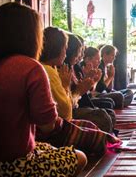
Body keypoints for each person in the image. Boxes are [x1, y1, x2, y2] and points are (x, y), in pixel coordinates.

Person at [0, 2, 86, 177]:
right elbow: (47, 125)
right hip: (9, 169)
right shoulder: (31, 67)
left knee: (49, 149)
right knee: (80, 157)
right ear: (31, 36)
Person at [39, 27, 120, 155]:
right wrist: (71, 88)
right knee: (102, 119)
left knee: (106, 112)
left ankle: (104, 138)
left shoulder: (54, 68)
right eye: (79, 51)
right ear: (58, 49)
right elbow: (66, 112)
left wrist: (90, 82)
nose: (81, 56)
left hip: (62, 120)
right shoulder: (49, 70)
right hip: (55, 129)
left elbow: (91, 92)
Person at [65, 34, 116, 134]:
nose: (81, 56)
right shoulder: (64, 69)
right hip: (74, 108)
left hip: (80, 102)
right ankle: (105, 138)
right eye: (79, 52)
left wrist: (94, 80)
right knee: (104, 114)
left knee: (109, 111)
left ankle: (107, 136)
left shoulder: (75, 68)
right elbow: (94, 91)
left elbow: (93, 90)